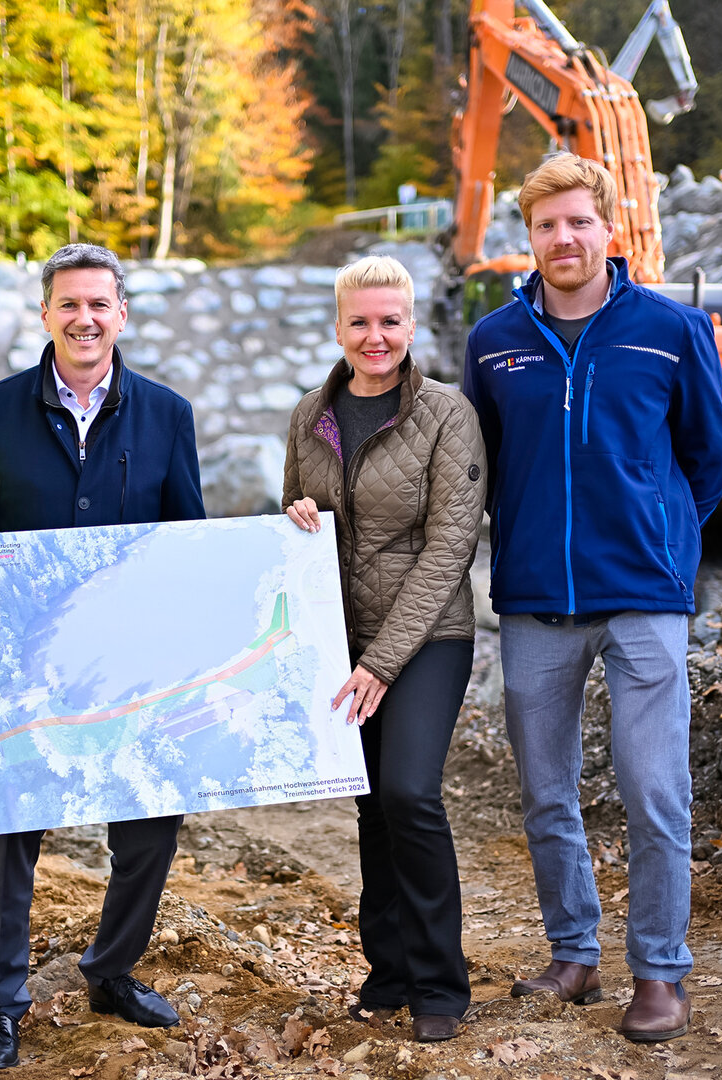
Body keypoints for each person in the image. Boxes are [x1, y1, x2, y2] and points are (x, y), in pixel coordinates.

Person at [0, 242, 205, 1071]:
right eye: (68, 304)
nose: (83, 319)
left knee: (150, 825)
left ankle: (110, 969)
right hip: (23, 662)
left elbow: (185, 536)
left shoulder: (165, 414)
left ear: (121, 315)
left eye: (98, 305)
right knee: (13, 834)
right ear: (45, 314)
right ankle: (1, 1006)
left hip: (131, 663)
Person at [462, 153, 722, 1043]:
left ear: (607, 228)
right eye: (546, 225)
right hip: (536, 600)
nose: (563, 238)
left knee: (655, 790)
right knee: (546, 792)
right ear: (529, 237)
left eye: (578, 221)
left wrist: (662, 542)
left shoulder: (669, 327)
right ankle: (573, 953)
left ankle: (660, 972)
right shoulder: (491, 340)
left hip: (644, 601)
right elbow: (482, 466)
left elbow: (710, 456)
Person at [282, 254, 488, 1043]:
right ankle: (390, 968)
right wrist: (300, 513)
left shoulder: (445, 414)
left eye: (390, 321)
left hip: (428, 636)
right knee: (370, 805)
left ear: (410, 326)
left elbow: (448, 550)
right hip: (344, 637)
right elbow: (293, 514)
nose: (376, 336)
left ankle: (440, 981)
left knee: (408, 792)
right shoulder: (310, 415)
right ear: (338, 327)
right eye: (360, 322)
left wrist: (380, 662)